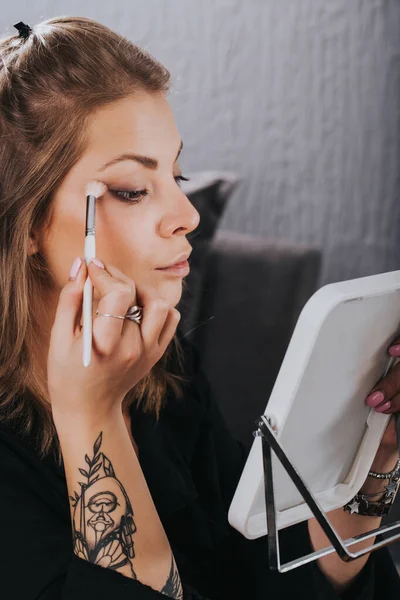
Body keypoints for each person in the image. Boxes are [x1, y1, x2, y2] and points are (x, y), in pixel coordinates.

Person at [0, 15, 399, 600]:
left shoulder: (165, 372)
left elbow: (275, 579)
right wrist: (91, 416)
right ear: (28, 221)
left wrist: (377, 457)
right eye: (133, 189)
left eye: (177, 174)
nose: (186, 214)